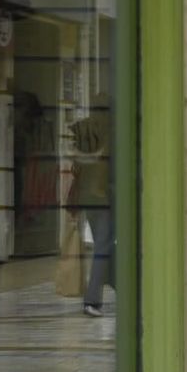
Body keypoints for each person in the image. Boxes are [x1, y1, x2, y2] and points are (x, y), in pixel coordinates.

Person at [69, 96, 114, 316]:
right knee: (104, 246)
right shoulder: (111, 130)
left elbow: (75, 164)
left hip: (88, 196)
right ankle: (92, 300)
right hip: (105, 195)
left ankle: (119, 285)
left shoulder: (82, 128)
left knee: (105, 245)